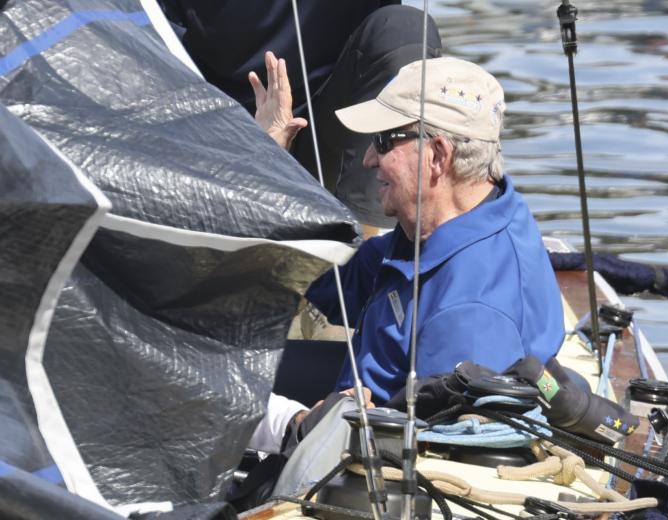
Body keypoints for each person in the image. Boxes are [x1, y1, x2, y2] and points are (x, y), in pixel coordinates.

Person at [303, 56, 566, 405]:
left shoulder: (469, 313)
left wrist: (319, 425)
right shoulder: (436, 229)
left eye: (383, 140)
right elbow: (333, 284)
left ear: (438, 155)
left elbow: (442, 447)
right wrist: (267, 160)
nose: (368, 159)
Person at [157, 1, 442, 228]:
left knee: (405, 28)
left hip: (333, 134)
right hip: (222, 144)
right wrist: (252, 141)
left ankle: (373, 248)